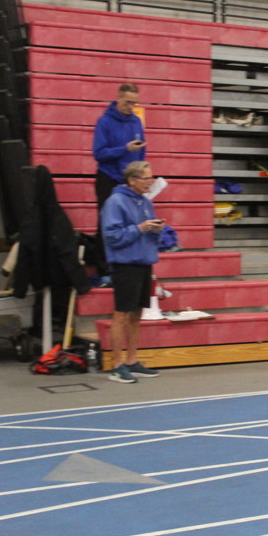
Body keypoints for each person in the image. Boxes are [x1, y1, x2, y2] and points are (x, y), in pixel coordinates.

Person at [100, 161, 163, 384]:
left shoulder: (145, 202)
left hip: (144, 263)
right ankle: (117, 366)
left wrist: (156, 230)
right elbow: (112, 236)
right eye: (146, 178)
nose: (150, 182)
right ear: (132, 180)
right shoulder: (115, 202)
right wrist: (140, 228)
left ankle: (132, 360)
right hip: (125, 265)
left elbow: (149, 233)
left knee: (137, 314)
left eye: (151, 178)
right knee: (121, 315)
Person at [92, 83, 146, 280]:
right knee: (106, 224)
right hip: (107, 178)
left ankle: (125, 266)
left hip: (129, 181)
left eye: (134, 103)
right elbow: (98, 153)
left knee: (131, 223)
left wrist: (142, 176)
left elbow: (142, 151)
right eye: (128, 102)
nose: (131, 107)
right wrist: (124, 149)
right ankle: (103, 269)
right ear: (118, 98)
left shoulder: (136, 122)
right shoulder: (104, 121)